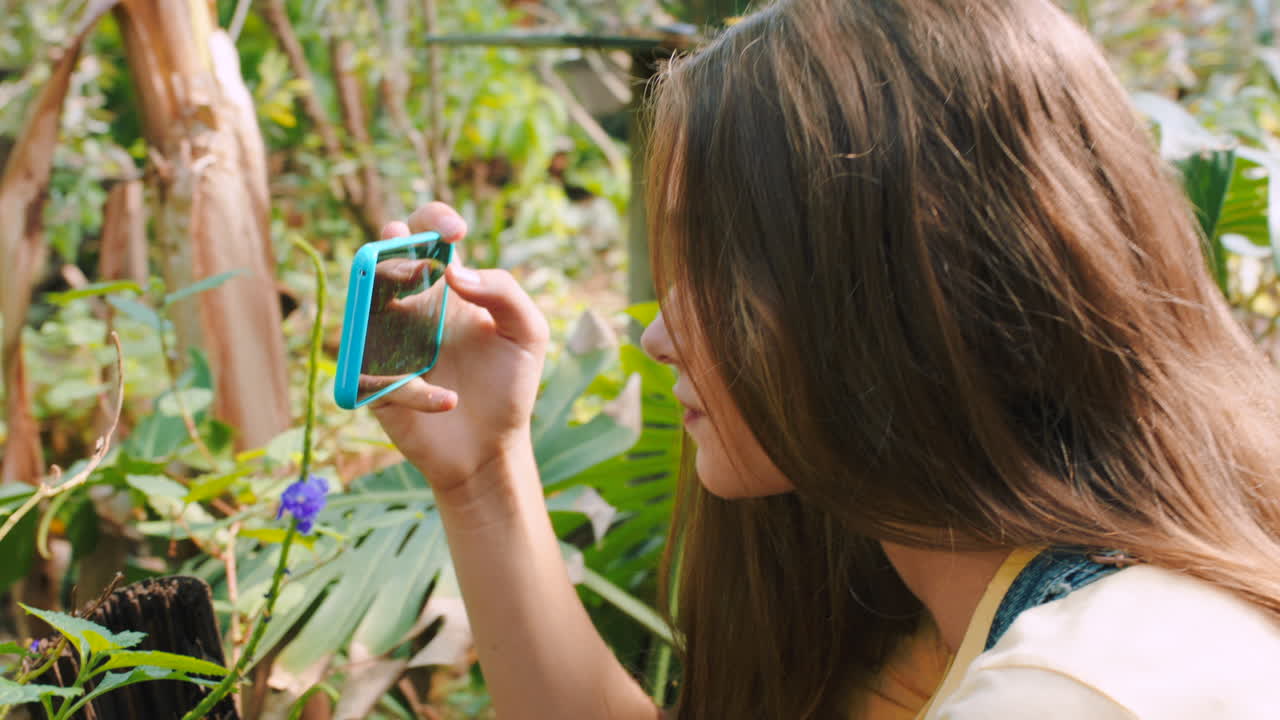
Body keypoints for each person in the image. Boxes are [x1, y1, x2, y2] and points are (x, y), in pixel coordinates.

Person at [370, 0, 1280, 717]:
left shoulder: (1075, 689)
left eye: (717, 264)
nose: (661, 335)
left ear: (910, 279)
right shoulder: (946, 593)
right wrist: (483, 475)